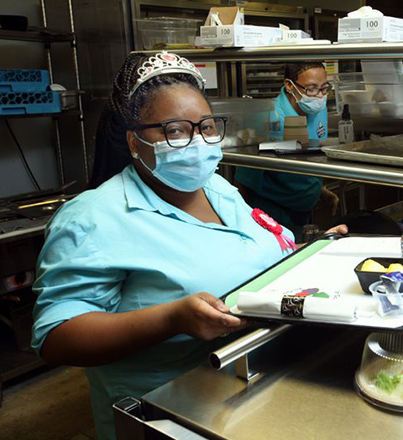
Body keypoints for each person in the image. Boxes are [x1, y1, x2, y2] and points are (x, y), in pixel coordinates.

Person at [30, 52, 346, 440]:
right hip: (172, 414)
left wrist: (311, 253)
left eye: (207, 127)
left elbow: (254, 249)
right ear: (134, 141)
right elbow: (56, 338)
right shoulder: (92, 218)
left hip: (256, 388)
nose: (198, 143)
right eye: (175, 131)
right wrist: (172, 319)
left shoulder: (217, 187)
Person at [234, 62, 339, 240]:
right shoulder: (267, 117)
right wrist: (242, 226)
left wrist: (317, 189)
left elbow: (308, 152)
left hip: (303, 209)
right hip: (272, 212)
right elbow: (245, 180)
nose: (320, 96)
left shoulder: (318, 110)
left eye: (324, 88)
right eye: (312, 89)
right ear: (290, 85)